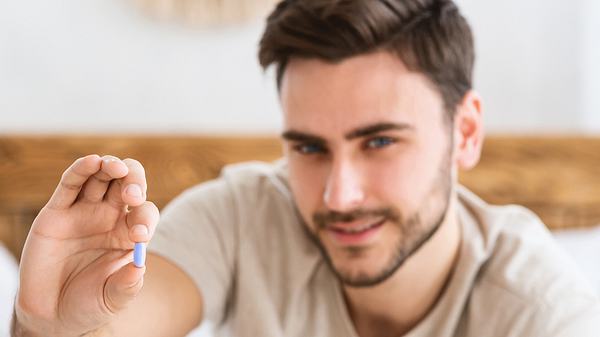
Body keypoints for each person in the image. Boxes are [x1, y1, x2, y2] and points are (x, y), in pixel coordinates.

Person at [11, 1, 600, 336]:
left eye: (380, 142)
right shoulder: (245, 214)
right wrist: (49, 320)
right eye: (310, 148)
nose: (338, 196)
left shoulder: (545, 315)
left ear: (465, 132)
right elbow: (120, 320)